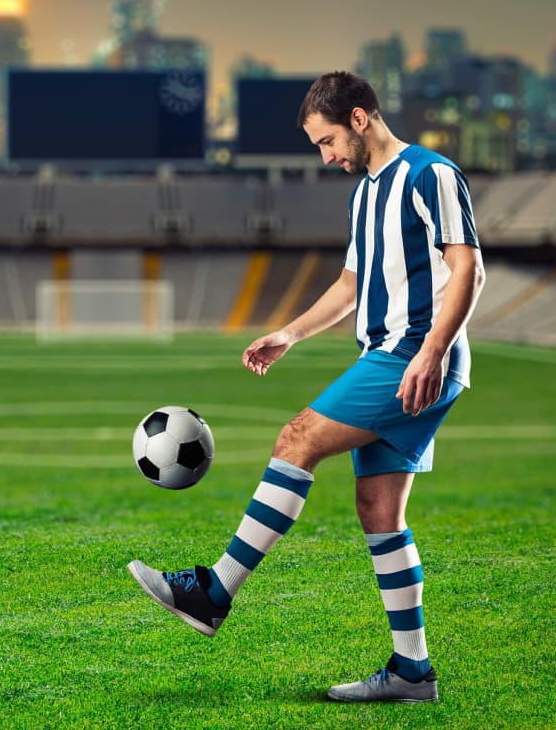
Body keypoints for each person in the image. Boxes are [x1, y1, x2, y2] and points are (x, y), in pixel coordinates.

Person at [128, 70, 485, 704]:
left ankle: (214, 592)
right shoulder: (364, 195)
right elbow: (351, 285)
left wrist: (430, 352)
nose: (324, 157)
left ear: (358, 119)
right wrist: (289, 334)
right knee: (379, 511)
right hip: (393, 353)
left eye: (325, 142)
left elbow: (470, 268)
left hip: (412, 354)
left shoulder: (430, 174)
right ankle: (412, 672)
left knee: (297, 439)